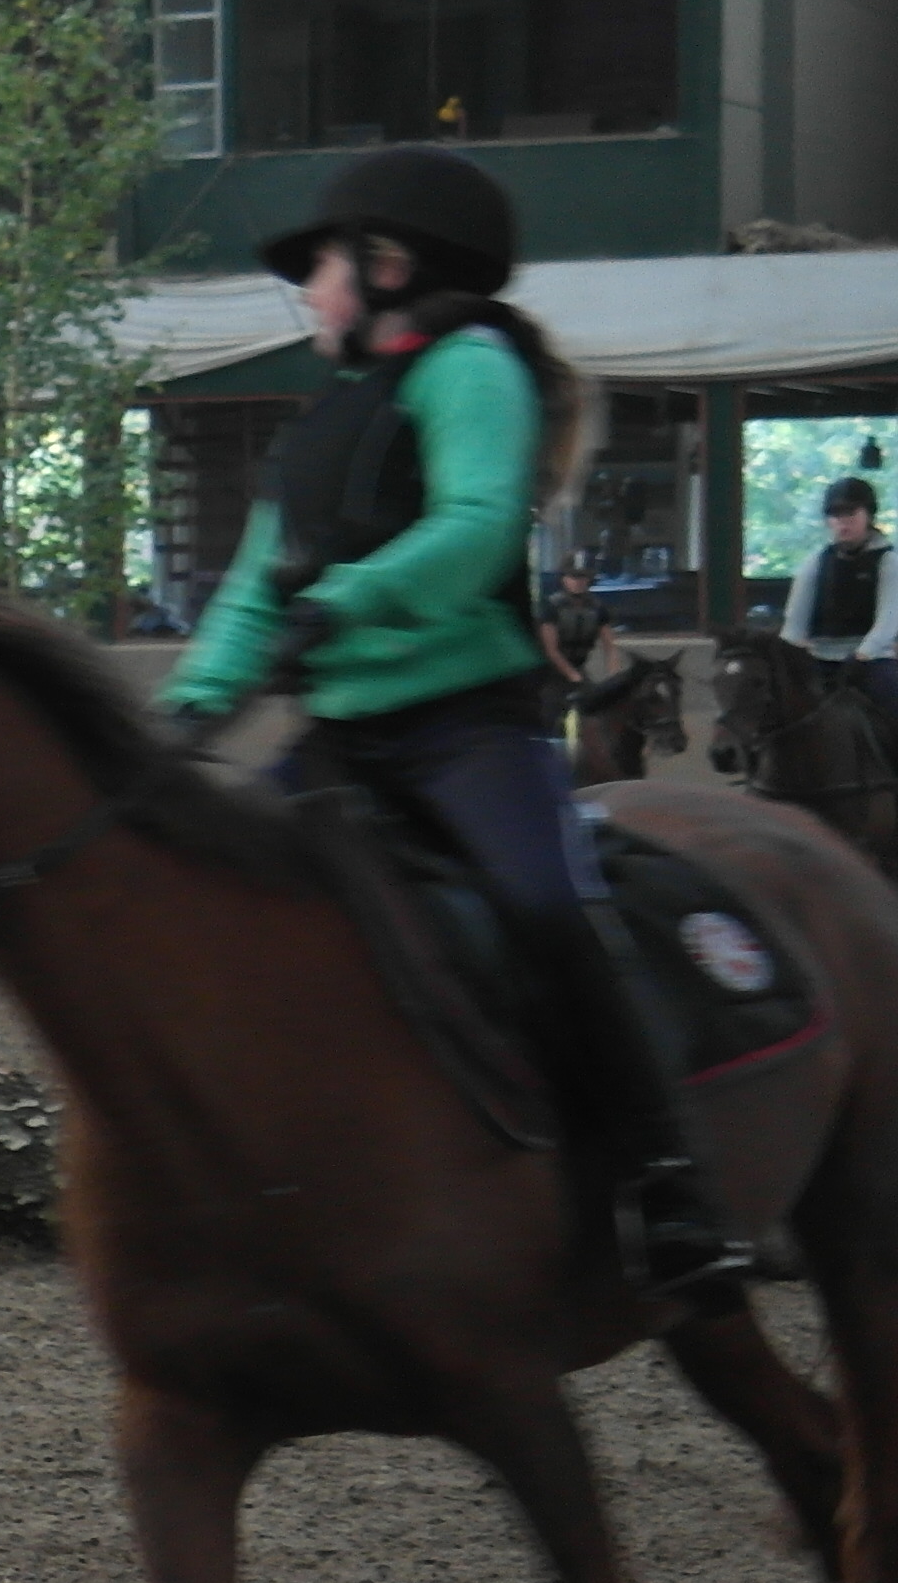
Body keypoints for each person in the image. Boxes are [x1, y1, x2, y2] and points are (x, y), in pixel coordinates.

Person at [160, 145, 747, 1298]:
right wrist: (192, 702)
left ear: (388, 266)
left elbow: (477, 528)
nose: (307, 290)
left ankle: (671, 1185)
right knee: (213, 907)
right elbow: (256, 581)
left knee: (547, 907)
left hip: (465, 732)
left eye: (321, 266)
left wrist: (344, 602)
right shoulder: (327, 415)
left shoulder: (474, 369)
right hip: (340, 738)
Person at [798, 476, 898, 751]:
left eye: (851, 513)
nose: (843, 522)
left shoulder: (888, 561)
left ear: (868, 516)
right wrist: (792, 653)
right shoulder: (816, 562)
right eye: (835, 515)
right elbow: (795, 622)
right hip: (819, 658)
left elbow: (888, 621)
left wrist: (862, 655)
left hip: (871, 660)